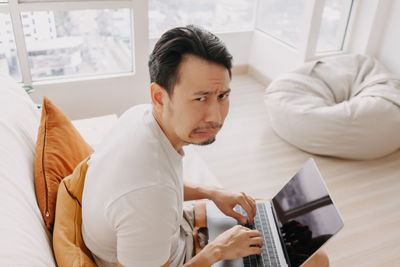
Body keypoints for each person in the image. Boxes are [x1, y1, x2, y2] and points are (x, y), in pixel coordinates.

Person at [81, 25, 328, 267]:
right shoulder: (149, 195)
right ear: (159, 96)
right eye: (200, 98)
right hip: (181, 254)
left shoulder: (139, 117)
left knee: (265, 213)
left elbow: (162, 187)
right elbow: (153, 193)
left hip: (176, 236)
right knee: (316, 260)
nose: (216, 117)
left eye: (222, 96)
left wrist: (211, 193)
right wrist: (217, 251)